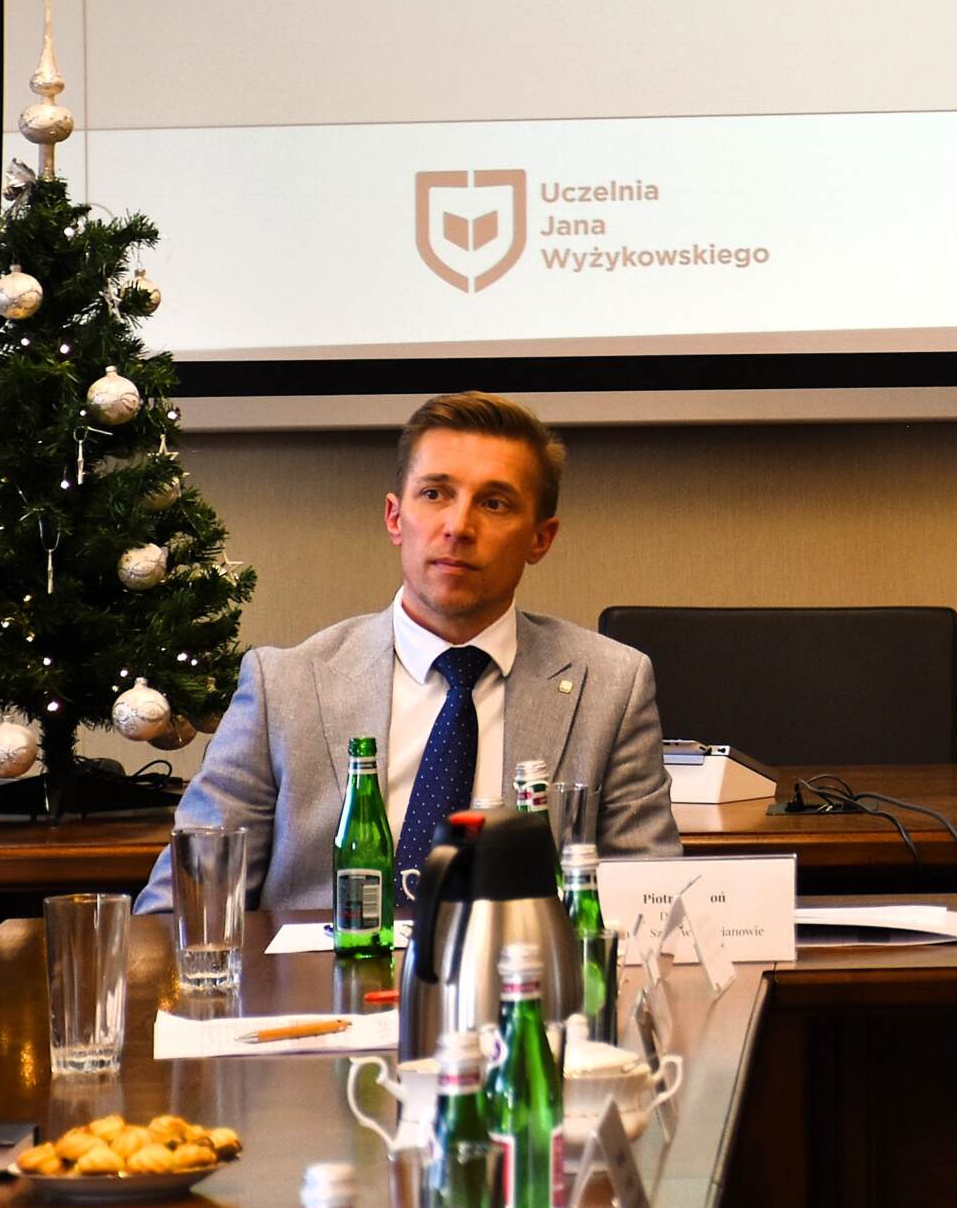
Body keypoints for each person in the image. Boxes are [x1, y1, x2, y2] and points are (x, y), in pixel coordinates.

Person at [137, 392, 678, 920]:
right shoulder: (284, 686)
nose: (459, 527)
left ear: (541, 538)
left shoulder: (611, 685)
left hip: (518, 975)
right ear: (395, 517)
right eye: (435, 494)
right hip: (323, 975)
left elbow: (652, 913)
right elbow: (179, 910)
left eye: (494, 503)